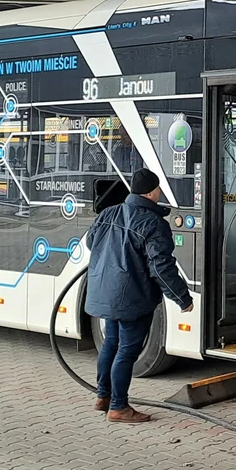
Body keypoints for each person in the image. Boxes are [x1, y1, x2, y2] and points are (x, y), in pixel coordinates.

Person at [84, 168, 193, 423]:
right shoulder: (153, 223)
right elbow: (160, 267)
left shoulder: (109, 212)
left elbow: (92, 243)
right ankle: (119, 407)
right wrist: (182, 299)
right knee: (127, 350)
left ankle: (103, 397)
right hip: (132, 296)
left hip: (107, 291)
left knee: (111, 344)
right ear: (153, 192)